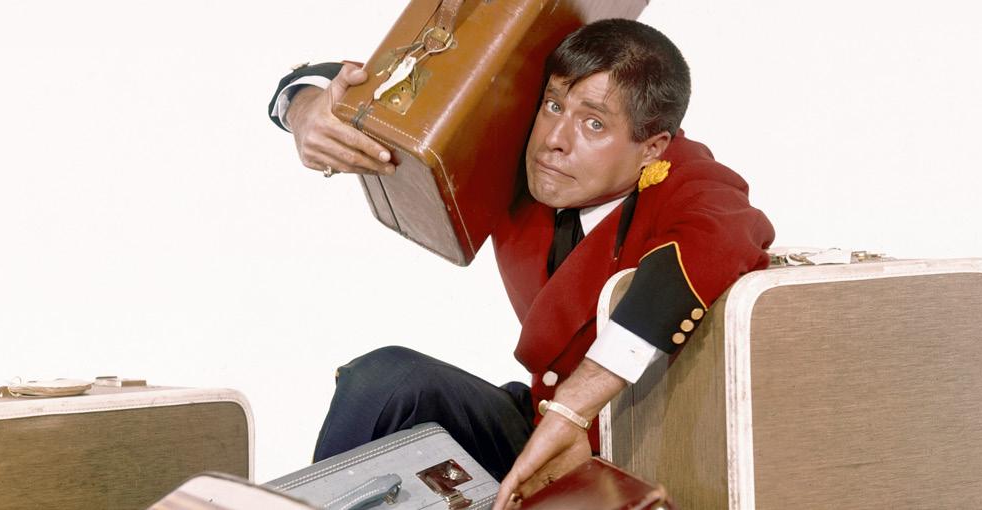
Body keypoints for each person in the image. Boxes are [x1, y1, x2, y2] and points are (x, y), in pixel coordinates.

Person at [268, 19, 774, 506]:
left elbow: (723, 234)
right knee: (386, 380)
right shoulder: (530, 144)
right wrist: (307, 107)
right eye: (553, 105)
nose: (555, 139)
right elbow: (396, 83)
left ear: (652, 148)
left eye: (594, 123)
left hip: (637, 462)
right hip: (535, 429)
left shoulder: (688, 179)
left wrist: (574, 407)